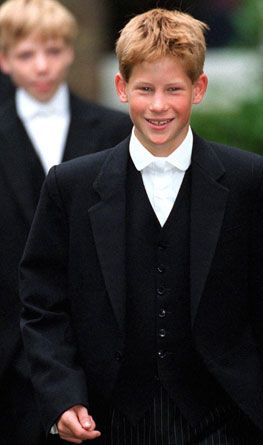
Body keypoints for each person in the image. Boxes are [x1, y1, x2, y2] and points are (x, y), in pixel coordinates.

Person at [20, 8, 263, 445]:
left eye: (173, 89)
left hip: (221, 423)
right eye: (145, 89)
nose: (158, 106)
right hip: (108, 424)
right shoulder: (71, 186)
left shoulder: (246, 181)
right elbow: (43, 304)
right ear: (122, 88)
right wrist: (62, 397)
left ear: (198, 89)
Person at [0, 0, 132, 443]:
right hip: (7, 349)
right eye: (25, 54)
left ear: (72, 52)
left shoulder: (116, 131)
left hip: (93, 344)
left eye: (53, 51)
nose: (41, 65)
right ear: (3, 59)